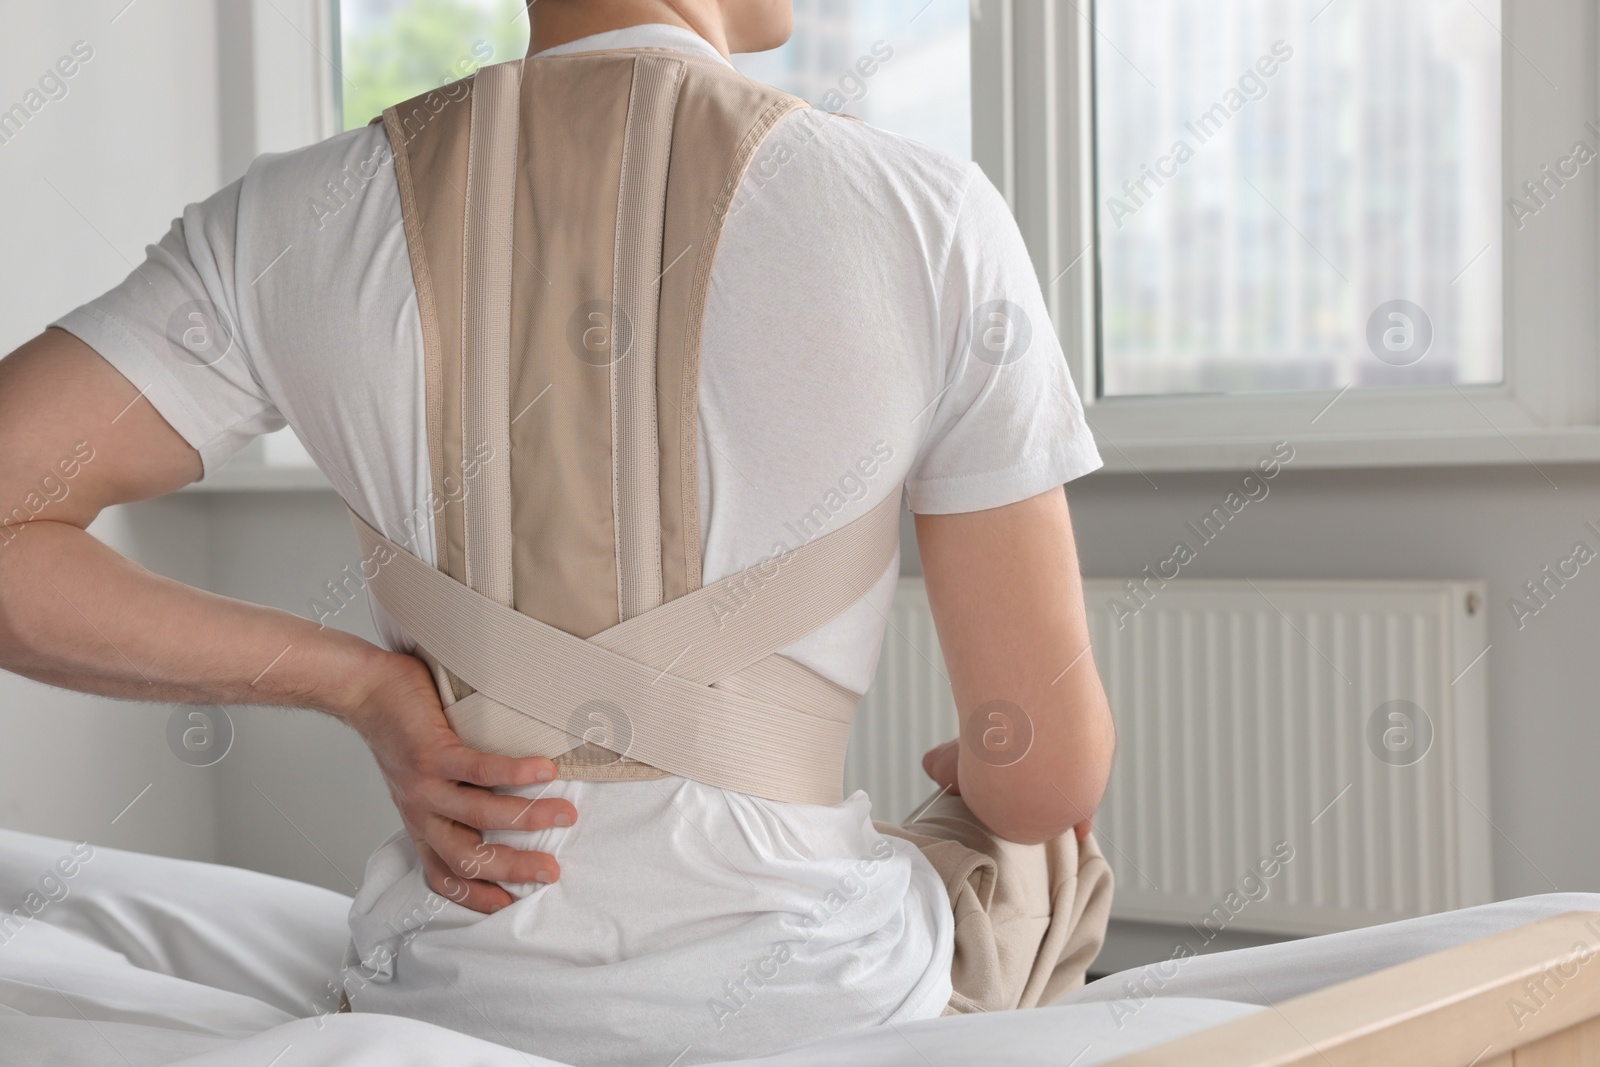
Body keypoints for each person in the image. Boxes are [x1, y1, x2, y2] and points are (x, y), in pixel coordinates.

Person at [0, 1, 1116, 1063]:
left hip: (453, 994)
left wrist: (358, 684)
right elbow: (1047, 774)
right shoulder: (926, 211)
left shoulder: (287, 221)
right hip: (823, 995)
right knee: (1043, 849)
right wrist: (984, 764)